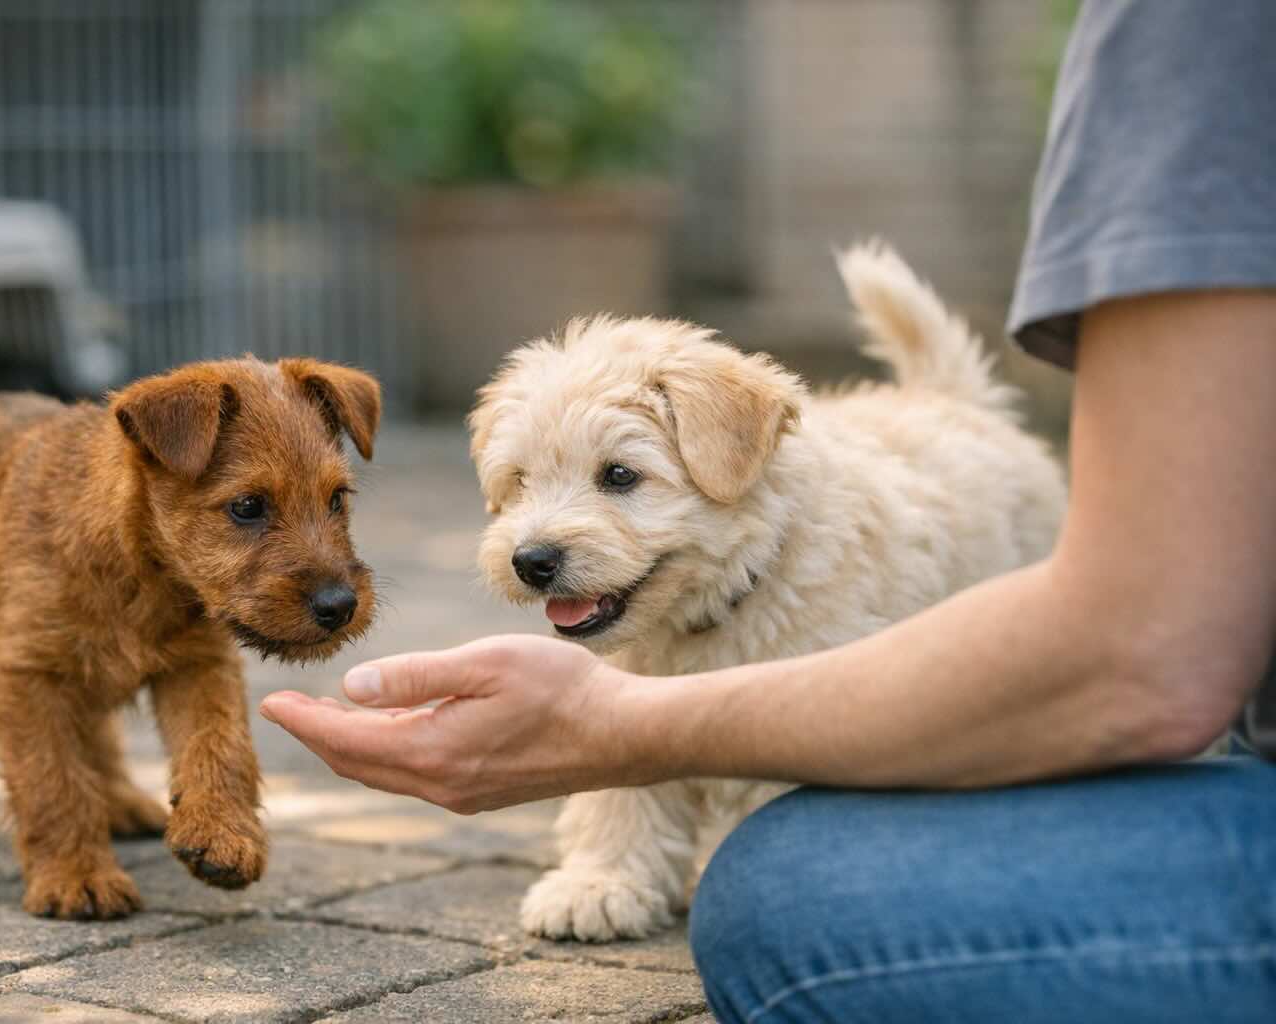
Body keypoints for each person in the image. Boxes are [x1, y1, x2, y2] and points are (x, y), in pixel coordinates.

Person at [261, 2, 1276, 1019]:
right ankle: (622, 857)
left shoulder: (841, 552)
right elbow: (626, 729)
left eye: (620, 478)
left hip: (998, 512)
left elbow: (894, 707)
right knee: (667, 741)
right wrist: (612, 840)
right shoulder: (631, 602)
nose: (536, 535)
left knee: (789, 849)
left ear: (736, 452)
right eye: (520, 485)